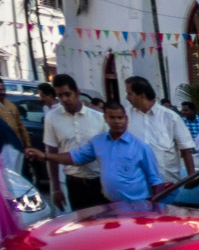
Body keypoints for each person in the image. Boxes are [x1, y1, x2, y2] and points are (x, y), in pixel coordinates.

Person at [28, 101, 165, 202]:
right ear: (105, 119)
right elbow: (74, 157)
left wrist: (153, 206)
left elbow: (156, 180)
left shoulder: (141, 147)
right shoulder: (98, 142)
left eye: (120, 117)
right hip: (110, 205)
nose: (117, 122)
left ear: (126, 119)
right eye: (112, 118)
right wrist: (45, 156)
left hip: (138, 207)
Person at [42, 74, 106, 211]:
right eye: (60, 96)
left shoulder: (99, 118)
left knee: (104, 221)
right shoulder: (52, 118)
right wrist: (56, 188)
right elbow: (52, 153)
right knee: (82, 222)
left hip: (100, 181)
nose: (64, 99)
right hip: (74, 183)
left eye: (67, 94)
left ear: (77, 93)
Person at [124, 77, 196, 183]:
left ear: (142, 95)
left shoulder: (170, 117)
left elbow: (186, 150)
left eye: (129, 94)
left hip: (167, 184)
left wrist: (192, 179)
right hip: (136, 184)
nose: (126, 97)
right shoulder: (125, 116)